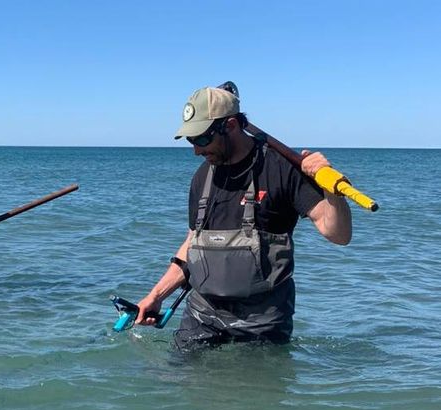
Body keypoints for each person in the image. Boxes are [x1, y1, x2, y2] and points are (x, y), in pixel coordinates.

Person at [134, 86, 352, 348]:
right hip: (202, 314)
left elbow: (338, 235)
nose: (197, 151)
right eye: (191, 141)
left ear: (232, 125)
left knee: (252, 389)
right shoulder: (202, 178)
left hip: (263, 321)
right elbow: (192, 242)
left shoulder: (281, 169)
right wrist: (157, 295)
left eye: (202, 139)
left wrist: (332, 191)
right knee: (177, 383)